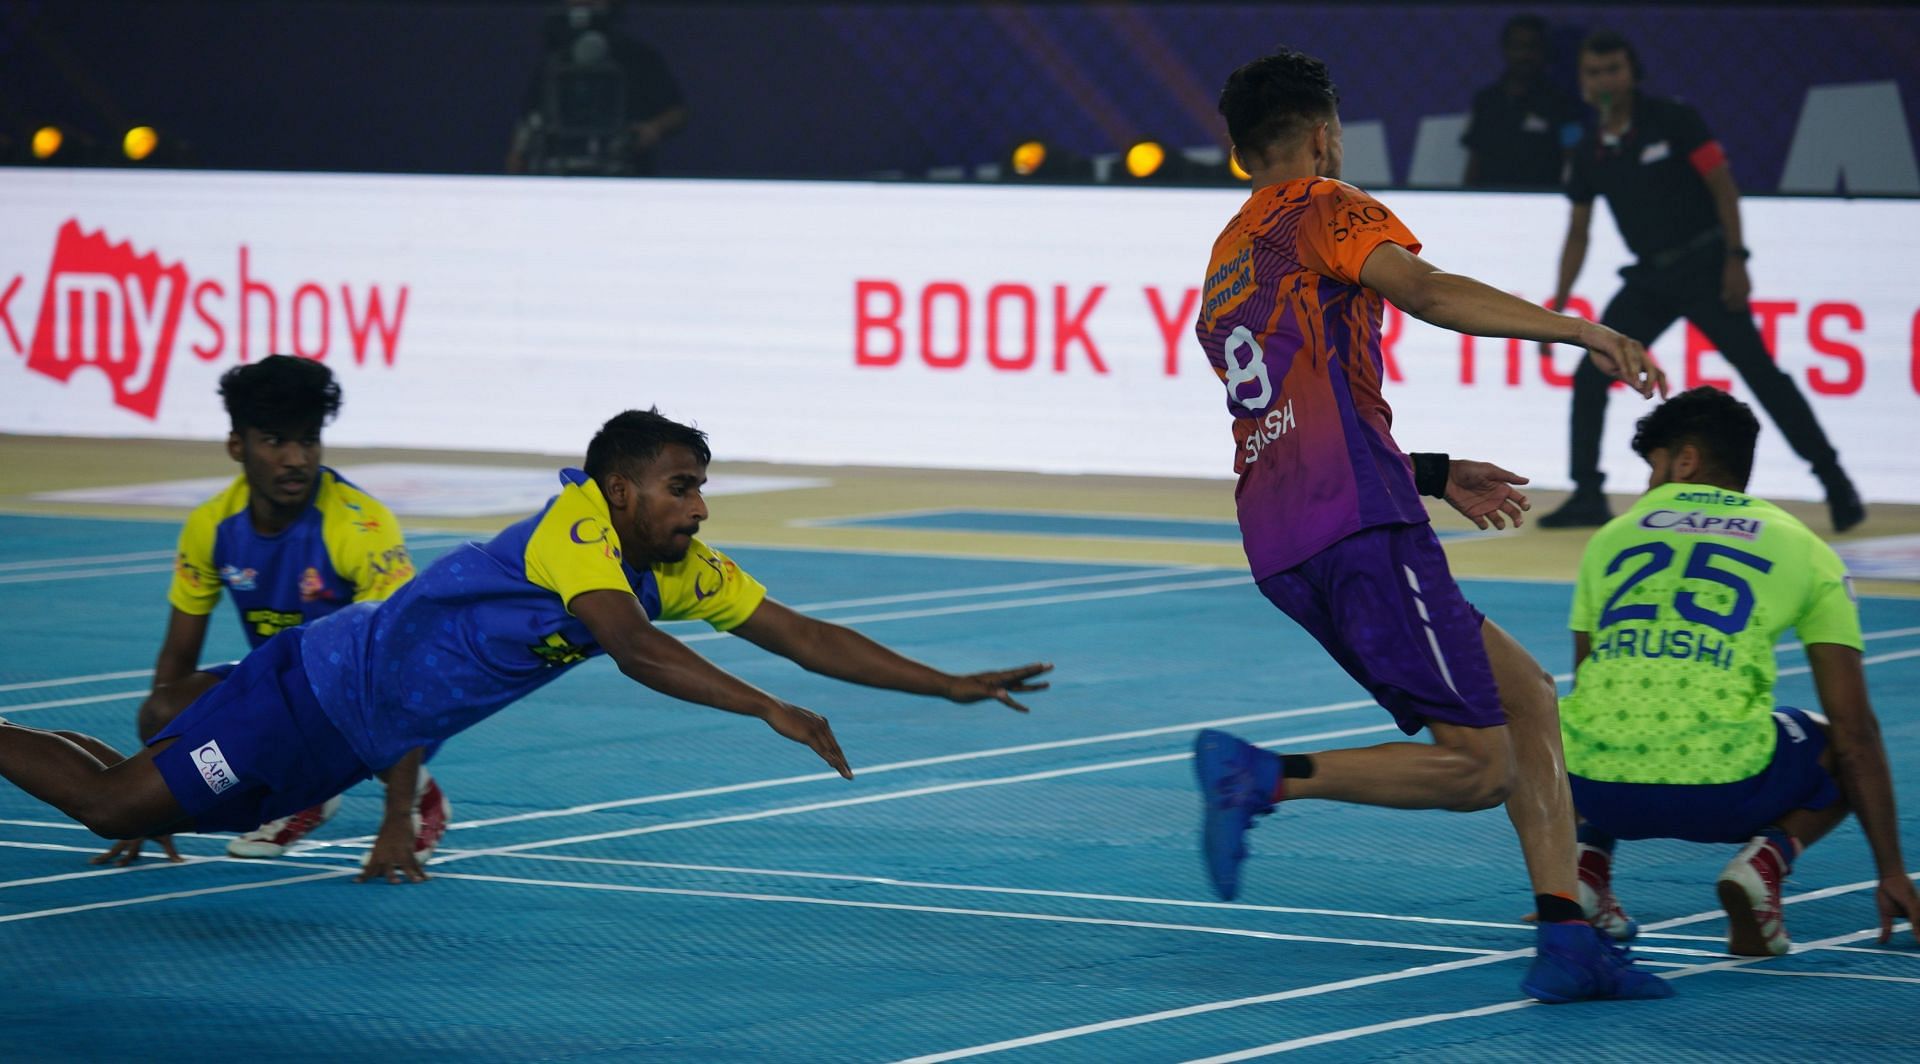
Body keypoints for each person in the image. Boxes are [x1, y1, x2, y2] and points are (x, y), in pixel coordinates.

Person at [0, 409, 1051, 884]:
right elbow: (633, 647)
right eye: (683, 486)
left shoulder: (683, 564)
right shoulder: (576, 525)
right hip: (318, 690)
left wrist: (946, 684)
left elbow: (805, 632)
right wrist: (764, 707)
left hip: (354, 733)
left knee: (173, 783)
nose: (699, 506)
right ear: (623, 486)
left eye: (701, 487)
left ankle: (144, 755)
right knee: (114, 803)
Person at [1188, 47, 1671, 1004]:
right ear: (1325, 135)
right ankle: (1264, 777)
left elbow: (1291, 422)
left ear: (1240, 154)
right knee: (1479, 765)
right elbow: (1428, 292)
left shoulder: (1226, 262)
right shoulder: (1326, 204)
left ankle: (1566, 936)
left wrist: (1437, 471)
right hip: (1360, 525)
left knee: (1526, 696)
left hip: (1287, 536)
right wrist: (1581, 329)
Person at [1561, 386, 1918, 955]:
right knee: (1834, 737)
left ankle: (1583, 868)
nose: (1649, 487)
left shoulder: (1611, 538)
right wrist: (1893, 873)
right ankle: (1767, 864)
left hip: (1598, 791)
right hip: (1728, 790)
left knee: (1582, 717)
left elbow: (1586, 692)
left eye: (1654, 468)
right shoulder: (1803, 547)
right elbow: (1857, 735)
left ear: (1685, 460)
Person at [91, 354, 450, 868]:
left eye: (308, 440)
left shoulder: (360, 527)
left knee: (361, 704)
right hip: (285, 687)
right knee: (164, 710)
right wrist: (144, 805)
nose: (296, 459)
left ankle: (420, 795)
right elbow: (176, 661)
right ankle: (303, 792)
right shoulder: (212, 525)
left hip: (379, 695)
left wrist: (395, 817)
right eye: (276, 441)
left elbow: (402, 664)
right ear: (238, 445)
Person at [1538, 30, 1863, 532]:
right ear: (1582, 82)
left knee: (1760, 373)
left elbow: (1723, 185)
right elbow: (1578, 232)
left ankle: (1834, 480)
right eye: (1593, 72)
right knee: (1591, 373)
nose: (1604, 81)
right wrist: (1557, 309)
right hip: (1649, 278)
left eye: (1613, 70)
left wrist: (1737, 257)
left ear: (1632, 73)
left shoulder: (1673, 118)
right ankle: (1586, 492)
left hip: (1705, 267)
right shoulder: (1589, 150)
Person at [506, 0, 689, 176]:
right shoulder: (553, 63)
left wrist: (652, 129)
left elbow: (676, 111)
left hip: (624, 170)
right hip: (560, 170)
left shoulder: (638, 57)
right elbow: (528, 121)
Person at [1461, 14, 1582, 189]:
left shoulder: (1564, 103)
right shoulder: (1487, 100)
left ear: (1544, 51)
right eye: (1517, 46)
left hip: (1540, 200)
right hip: (1489, 199)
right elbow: (1475, 156)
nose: (1524, 55)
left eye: (1532, 47)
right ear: (1505, 49)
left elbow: (1571, 156)